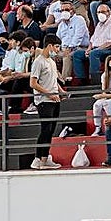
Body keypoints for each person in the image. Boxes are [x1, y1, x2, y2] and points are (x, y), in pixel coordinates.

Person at [29, 36, 63, 170]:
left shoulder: (52, 62)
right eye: (56, 47)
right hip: (44, 100)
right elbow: (33, 83)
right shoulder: (38, 62)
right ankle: (38, 157)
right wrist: (49, 94)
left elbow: (54, 81)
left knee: (51, 130)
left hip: (54, 99)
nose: (57, 50)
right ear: (49, 46)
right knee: (45, 129)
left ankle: (45, 157)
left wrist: (60, 91)